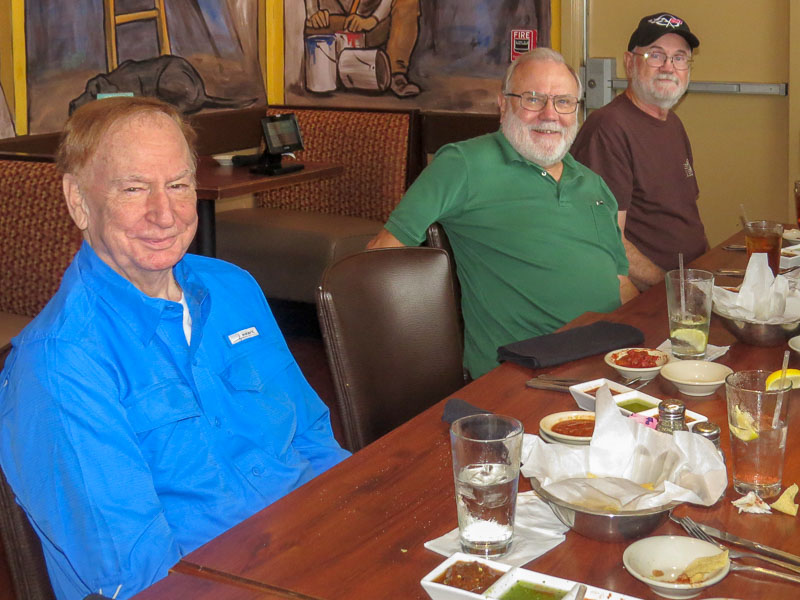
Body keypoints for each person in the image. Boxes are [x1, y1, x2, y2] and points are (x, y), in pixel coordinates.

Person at [0, 97, 349, 600]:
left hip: (315, 553)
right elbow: (140, 576)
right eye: (134, 188)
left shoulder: (232, 287)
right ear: (78, 202)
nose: (164, 214)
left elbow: (314, 441)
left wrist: (368, 527)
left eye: (179, 185)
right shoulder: (61, 363)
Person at [367, 48, 636, 378]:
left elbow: (620, 282)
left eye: (564, 102)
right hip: (525, 376)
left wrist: (646, 344)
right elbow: (380, 256)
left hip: (608, 362)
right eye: (533, 99)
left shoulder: (593, 184)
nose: (550, 114)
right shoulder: (463, 164)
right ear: (503, 104)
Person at [572, 12, 707, 290]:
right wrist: (669, 292)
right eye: (656, 56)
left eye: (679, 58)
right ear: (629, 63)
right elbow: (605, 241)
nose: (669, 67)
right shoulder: (609, 128)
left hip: (690, 282)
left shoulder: (672, 123)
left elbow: (683, 217)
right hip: (654, 291)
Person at [304, 0, 420, 97]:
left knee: (408, 2)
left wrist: (373, 19)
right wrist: (313, 12)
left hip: (372, 26)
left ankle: (395, 74)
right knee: (314, 29)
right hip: (339, 23)